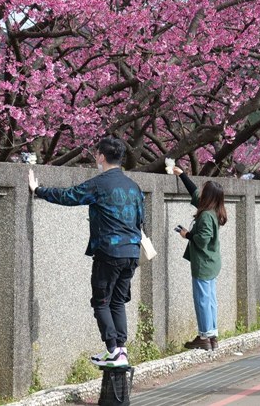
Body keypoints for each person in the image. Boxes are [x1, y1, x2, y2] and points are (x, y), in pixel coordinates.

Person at [29, 136, 144, 368]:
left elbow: (69, 196)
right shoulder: (134, 186)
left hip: (109, 251)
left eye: (96, 154)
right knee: (118, 302)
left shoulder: (100, 184)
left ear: (101, 156)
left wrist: (38, 189)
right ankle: (120, 350)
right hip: (132, 251)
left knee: (101, 301)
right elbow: (141, 219)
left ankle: (112, 349)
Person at [172, 165, 227, 351]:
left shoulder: (205, 216)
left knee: (202, 299)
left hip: (203, 264)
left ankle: (204, 337)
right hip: (212, 263)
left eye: (204, 190)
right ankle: (212, 335)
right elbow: (195, 193)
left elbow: (202, 240)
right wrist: (182, 175)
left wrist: (186, 235)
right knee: (210, 299)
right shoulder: (213, 211)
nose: (200, 192)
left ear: (209, 196)